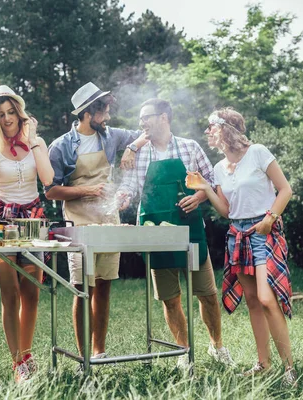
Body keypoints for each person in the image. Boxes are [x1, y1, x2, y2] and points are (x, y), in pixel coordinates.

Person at [116, 98, 235, 374]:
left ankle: (216, 346)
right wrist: (122, 196)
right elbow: (130, 186)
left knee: (207, 295)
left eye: (147, 117)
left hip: (190, 230)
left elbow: (211, 184)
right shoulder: (140, 153)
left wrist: (198, 196)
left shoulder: (190, 147)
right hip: (153, 233)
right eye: (141, 118)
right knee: (170, 299)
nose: (142, 123)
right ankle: (184, 350)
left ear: (164, 118)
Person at [187, 107, 297, 386]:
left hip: (264, 230)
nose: (208, 132)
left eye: (212, 126)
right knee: (252, 301)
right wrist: (207, 188)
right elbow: (226, 210)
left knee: (265, 299)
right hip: (237, 233)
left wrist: (270, 219)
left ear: (225, 128)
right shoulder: (219, 168)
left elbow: (285, 189)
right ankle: (263, 363)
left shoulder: (258, 152)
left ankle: (289, 369)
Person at [45, 82, 147, 362]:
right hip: (79, 221)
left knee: (103, 285)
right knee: (82, 288)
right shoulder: (61, 147)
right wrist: (87, 190)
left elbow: (147, 134)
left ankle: (99, 352)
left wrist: (133, 149)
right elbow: (51, 190)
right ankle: (83, 357)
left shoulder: (112, 136)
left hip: (107, 219)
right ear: (88, 113)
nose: (108, 116)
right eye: (103, 110)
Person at [0, 85, 54, 383]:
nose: (6, 119)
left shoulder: (38, 142)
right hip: (1, 219)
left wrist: (32, 142)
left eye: (11, 113)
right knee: (10, 294)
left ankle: (26, 355)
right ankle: (17, 363)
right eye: (0, 114)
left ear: (20, 114)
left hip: (32, 217)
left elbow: (47, 179)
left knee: (31, 292)